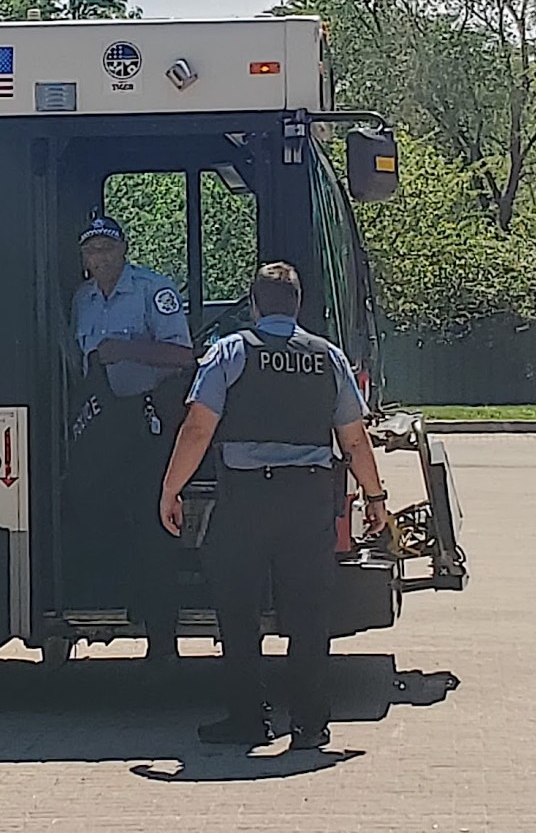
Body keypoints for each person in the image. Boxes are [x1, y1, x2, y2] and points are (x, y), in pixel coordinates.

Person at [158, 261, 390, 746]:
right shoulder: (327, 356)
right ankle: (309, 724)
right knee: (308, 614)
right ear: (298, 304)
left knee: (238, 612)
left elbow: (199, 427)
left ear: (254, 304)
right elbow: (354, 440)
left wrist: (171, 489)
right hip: (308, 499)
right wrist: (375, 499)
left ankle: (249, 719)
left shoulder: (231, 352)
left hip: (246, 499)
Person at [67, 216, 195, 661]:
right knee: (90, 510)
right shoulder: (82, 299)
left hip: (147, 421)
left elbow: (184, 355)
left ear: (124, 251)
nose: (99, 258)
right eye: (91, 251)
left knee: (151, 526)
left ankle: (163, 643)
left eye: (106, 249)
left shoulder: (151, 291)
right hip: (102, 423)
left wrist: (128, 350)